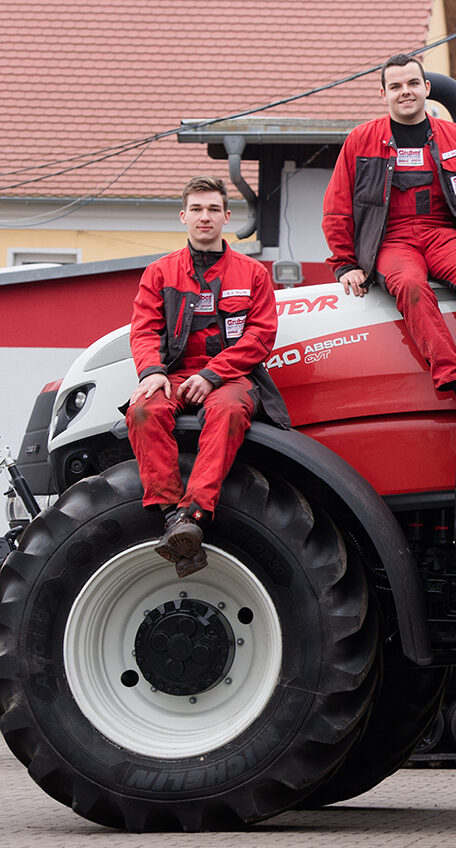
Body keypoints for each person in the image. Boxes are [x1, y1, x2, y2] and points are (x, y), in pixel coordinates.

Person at [322, 53, 456, 408]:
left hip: (444, 234)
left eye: (413, 83)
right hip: (392, 239)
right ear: (383, 93)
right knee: (410, 285)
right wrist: (345, 263)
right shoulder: (360, 141)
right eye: (396, 86)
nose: (406, 92)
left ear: (426, 88)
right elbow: (337, 207)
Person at [126, 176, 290, 578]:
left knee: (230, 411)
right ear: (183, 217)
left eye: (213, 209)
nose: (205, 217)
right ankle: (172, 518)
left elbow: (260, 336)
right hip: (175, 375)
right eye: (197, 209)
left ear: (227, 217)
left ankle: (194, 512)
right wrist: (151, 373)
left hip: (231, 376)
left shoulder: (252, 273)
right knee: (143, 411)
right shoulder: (160, 273)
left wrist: (214, 375)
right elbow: (144, 330)